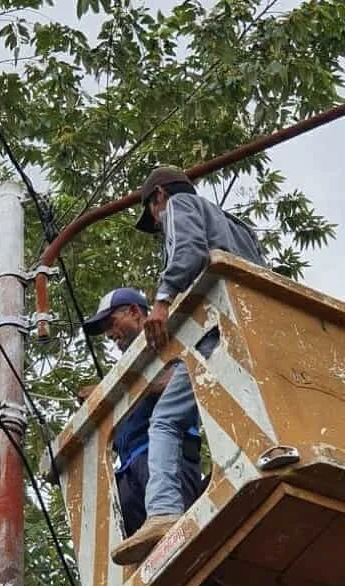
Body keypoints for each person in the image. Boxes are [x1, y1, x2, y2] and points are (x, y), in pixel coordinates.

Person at [110, 166, 266, 565]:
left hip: (216, 334)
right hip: (257, 329)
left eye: (154, 213)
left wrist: (162, 301)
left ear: (158, 197)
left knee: (165, 420)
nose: (160, 222)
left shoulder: (180, 205)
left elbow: (188, 250)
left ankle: (162, 511)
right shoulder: (238, 226)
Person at [81, 287, 203, 538]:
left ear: (135, 312)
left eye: (111, 323)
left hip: (168, 462)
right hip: (128, 473)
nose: (109, 334)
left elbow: (185, 378)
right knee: (141, 562)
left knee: (180, 542)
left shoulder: (168, 340)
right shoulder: (126, 370)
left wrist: (110, 392)